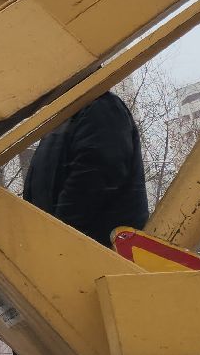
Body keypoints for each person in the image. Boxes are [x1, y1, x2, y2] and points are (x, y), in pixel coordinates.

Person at [23, 90, 151, 247]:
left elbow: (94, 179)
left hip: (101, 255)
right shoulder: (61, 120)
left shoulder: (101, 107)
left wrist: (57, 239)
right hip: (67, 252)